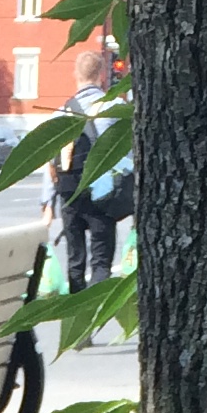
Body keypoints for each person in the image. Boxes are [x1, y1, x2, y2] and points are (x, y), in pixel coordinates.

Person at [51, 43, 133, 298]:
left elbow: (50, 161)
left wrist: (47, 201)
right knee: (101, 260)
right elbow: (127, 154)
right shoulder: (112, 108)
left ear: (76, 75)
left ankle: (76, 313)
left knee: (75, 260)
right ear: (102, 75)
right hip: (101, 195)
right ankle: (92, 315)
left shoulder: (61, 112)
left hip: (69, 194)